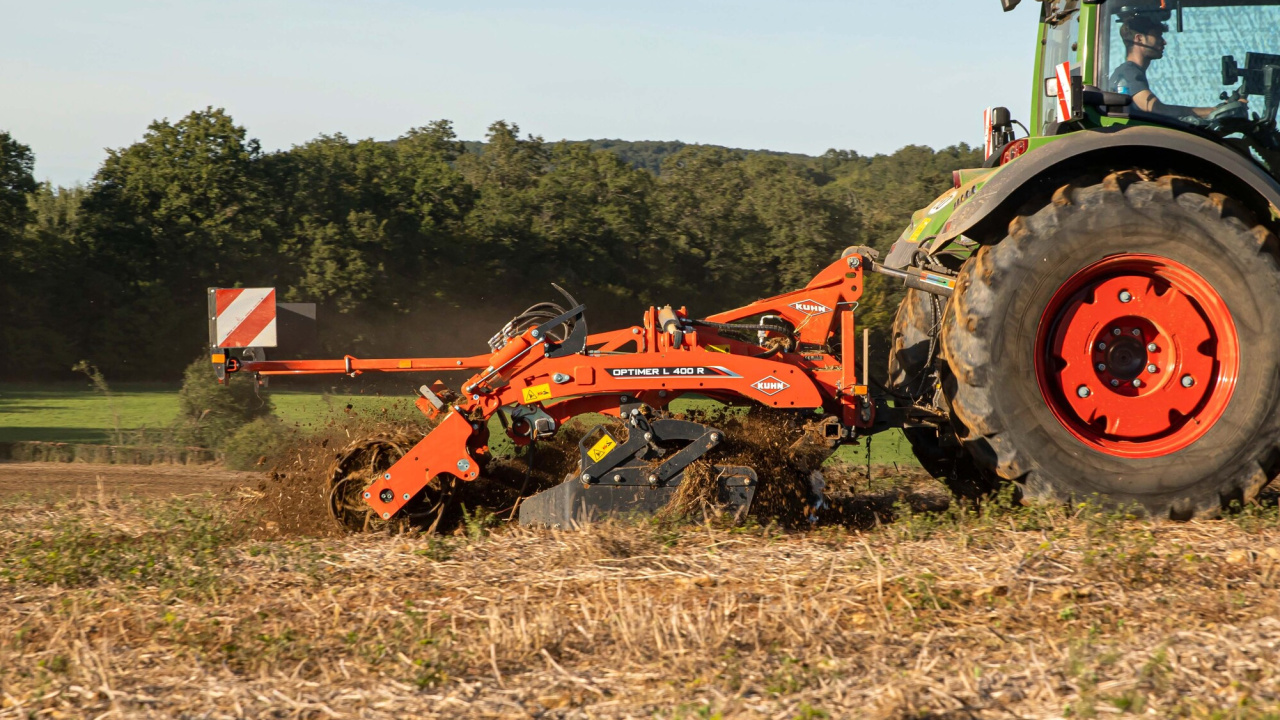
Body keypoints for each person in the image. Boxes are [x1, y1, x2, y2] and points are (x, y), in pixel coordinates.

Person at [1109, 16, 1240, 119]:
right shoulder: (1129, 73)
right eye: (1157, 35)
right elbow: (1156, 109)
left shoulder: (1128, 72)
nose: (1164, 41)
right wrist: (1213, 111)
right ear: (1139, 39)